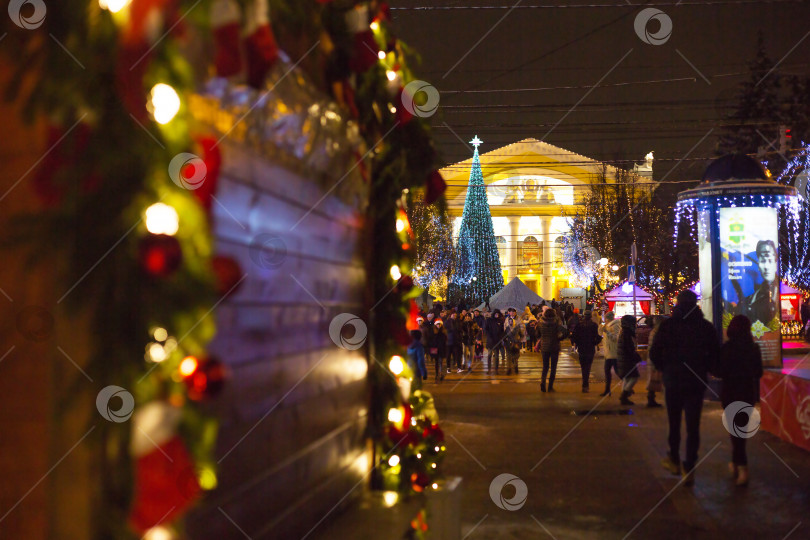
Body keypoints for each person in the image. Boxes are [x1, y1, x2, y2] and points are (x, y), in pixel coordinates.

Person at [650, 289, 720, 486]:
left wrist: (665, 368)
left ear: (678, 304)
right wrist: (706, 368)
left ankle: (673, 458)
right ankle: (689, 466)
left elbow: (655, 352)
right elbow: (714, 355)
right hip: (695, 382)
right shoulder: (705, 327)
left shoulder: (668, 326)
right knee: (693, 426)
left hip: (673, 380)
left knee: (673, 422)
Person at [714, 314, 763, 486]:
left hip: (730, 392)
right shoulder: (753, 348)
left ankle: (741, 466)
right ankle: (737, 464)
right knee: (740, 431)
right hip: (747, 393)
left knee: (735, 432)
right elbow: (759, 373)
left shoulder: (727, 348)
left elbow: (719, 371)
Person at [738, 240, 779, 325]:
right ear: (758, 265)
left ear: (776, 264)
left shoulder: (778, 291)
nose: (766, 267)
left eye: (770, 260)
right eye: (763, 261)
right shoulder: (753, 297)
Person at [535, 307, 568, 392]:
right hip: (554, 347)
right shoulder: (556, 323)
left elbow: (537, 334)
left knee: (545, 367)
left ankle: (543, 383)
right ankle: (550, 386)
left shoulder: (541, 323)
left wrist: (541, 338)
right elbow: (565, 332)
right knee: (553, 368)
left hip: (544, 347)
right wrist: (559, 338)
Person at [571, 310, 602, 392]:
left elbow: (574, 336)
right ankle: (585, 385)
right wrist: (594, 343)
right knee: (588, 366)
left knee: (583, 366)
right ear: (590, 316)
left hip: (581, 348)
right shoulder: (594, 325)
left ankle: (585, 384)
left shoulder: (579, 325)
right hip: (590, 348)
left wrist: (577, 343)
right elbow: (598, 336)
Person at [616, 315, 642, 405]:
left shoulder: (623, 332)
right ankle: (624, 395)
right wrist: (636, 357)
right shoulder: (626, 333)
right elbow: (629, 348)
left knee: (627, 378)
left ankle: (624, 397)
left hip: (623, 359)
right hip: (627, 360)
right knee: (634, 377)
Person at [645, 315, 665, 408]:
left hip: (652, 358)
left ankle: (651, 399)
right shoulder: (657, 332)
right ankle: (651, 400)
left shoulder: (654, 331)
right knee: (656, 380)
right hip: (655, 359)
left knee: (654, 380)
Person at [599, 311, 621, 397]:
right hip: (608, 352)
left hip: (613, 352)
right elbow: (601, 335)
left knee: (617, 371)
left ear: (608, 318)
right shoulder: (608, 325)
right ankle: (607, 390)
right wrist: (601, 329)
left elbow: (615, 338)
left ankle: (628, 386)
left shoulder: (615, 325)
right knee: (607, 371)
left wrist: (607, 332)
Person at [484, 309, 506, 374]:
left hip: (497, 341)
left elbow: (502, 331)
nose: (497, 315)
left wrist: (501, 337)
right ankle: (489, 369)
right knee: (489, 355)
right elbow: (486, 329)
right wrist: (489, 336)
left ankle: (496, 369)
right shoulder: (489, 320)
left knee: (496, 356)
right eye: (496, 314)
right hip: (491, 340)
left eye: (498, 314)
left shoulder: (500, 321)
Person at [504, 309, 524, 375]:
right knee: (508, 356)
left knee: (516, 356)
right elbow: (505, 329)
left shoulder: (519, 319)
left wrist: (519, 339)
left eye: (513, 312)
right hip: (509, 342)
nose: (512, 313)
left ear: (515, 313)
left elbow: (522, 329)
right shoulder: (507, 319)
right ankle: (509, 369)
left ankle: (516, 367)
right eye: (511, 312)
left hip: (516, 342)